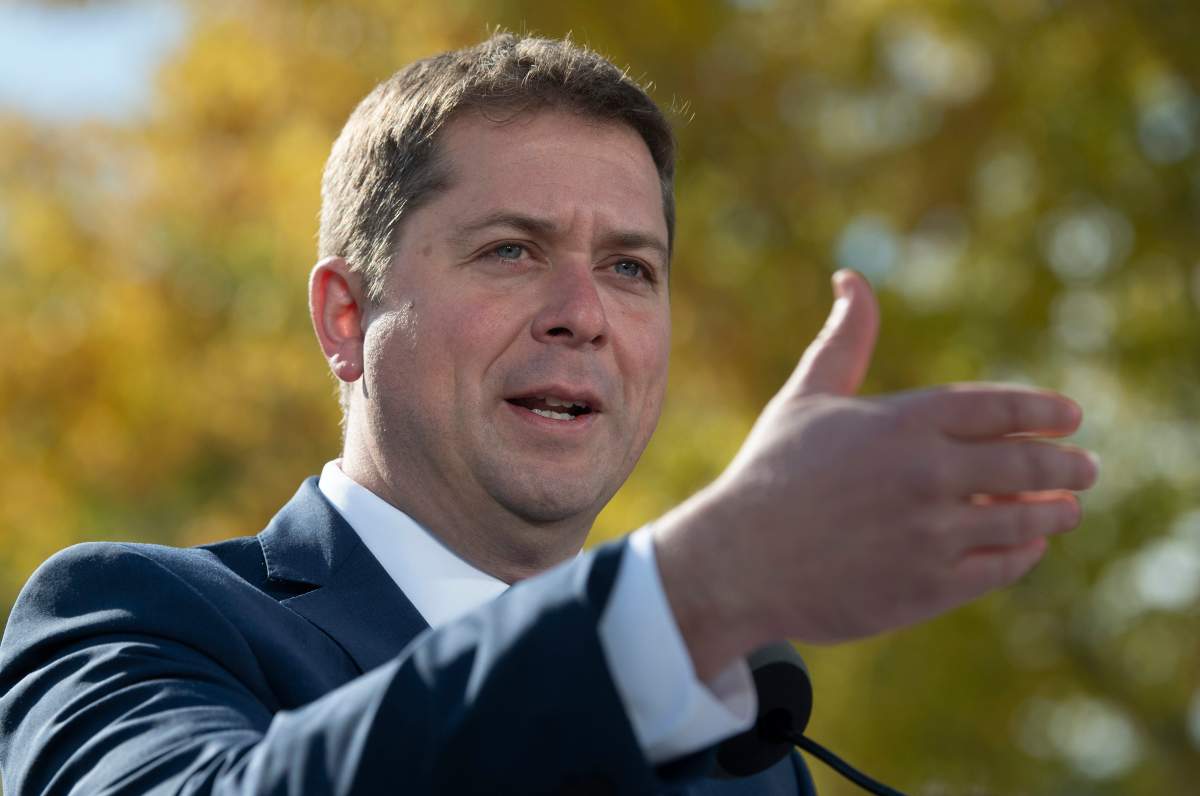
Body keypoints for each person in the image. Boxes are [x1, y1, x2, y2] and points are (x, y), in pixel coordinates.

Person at [0, 33, 1097, 795]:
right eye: (512, 250)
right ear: (346, 315)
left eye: (630, 267)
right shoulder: (128, 616)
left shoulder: (750, 757)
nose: (582, 314)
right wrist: (693, 588)